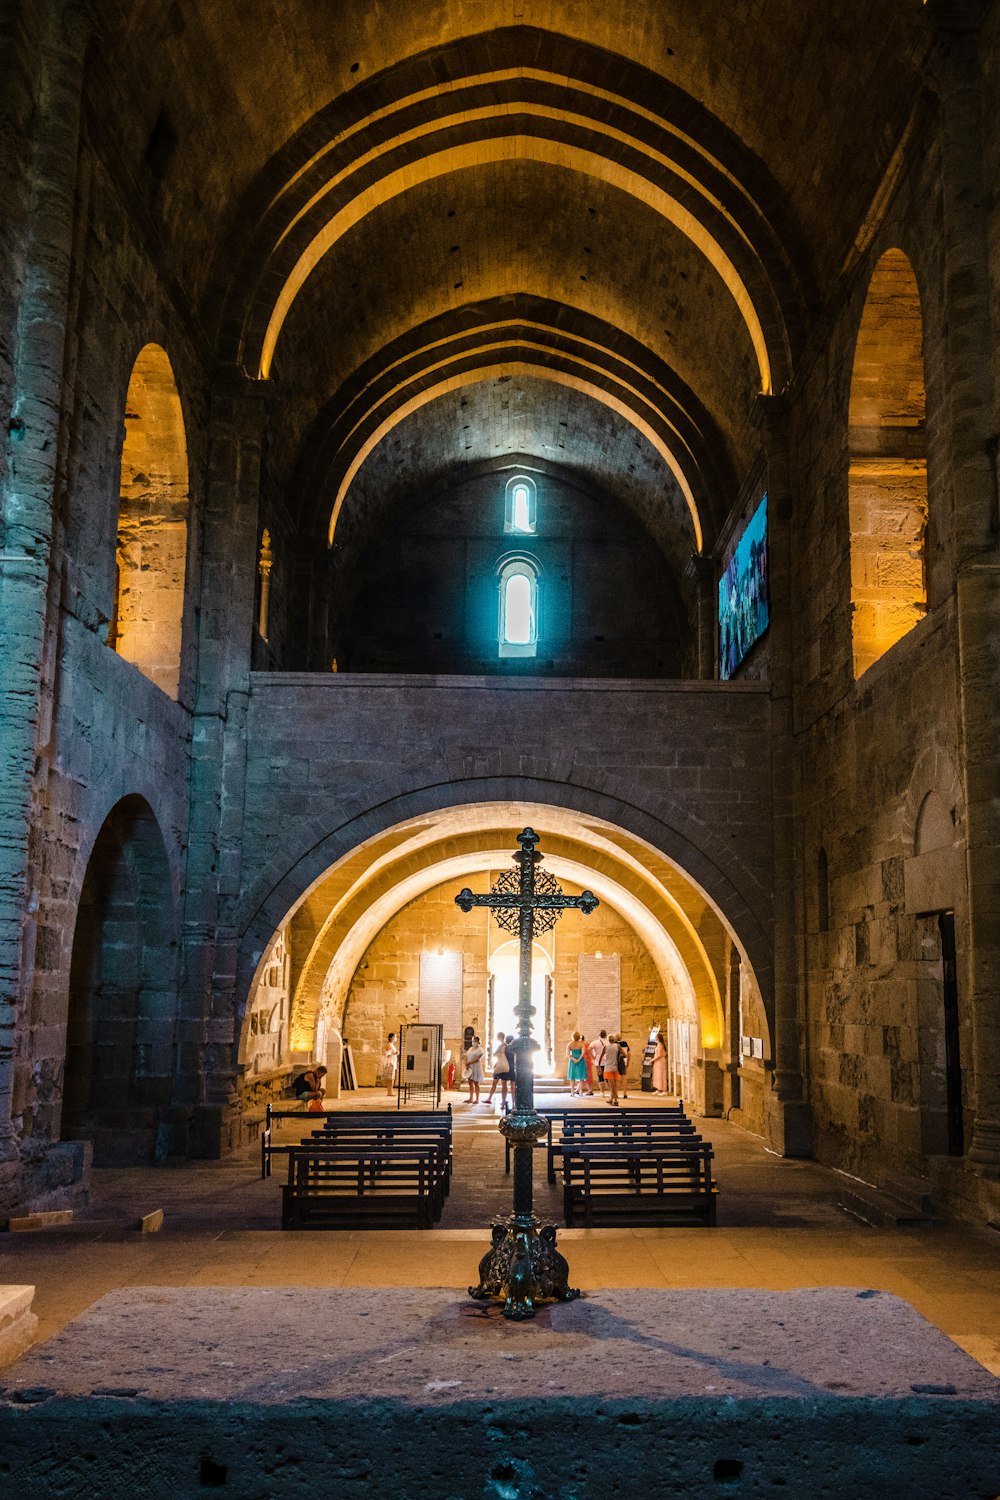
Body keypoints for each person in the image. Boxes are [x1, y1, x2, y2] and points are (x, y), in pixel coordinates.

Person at [487, 1030, 510, 1106]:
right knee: (495, 1083)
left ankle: (503, 1102)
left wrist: (496, 1054)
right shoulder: (502, 1045)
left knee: (503, 1084)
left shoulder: (505, 1046)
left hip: (502, 1066)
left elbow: (501, 1055)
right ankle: (489, 1099)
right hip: (499, 1065)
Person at [464, 1035, 485, 1103]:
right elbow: (466, 1056)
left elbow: (476, 1059)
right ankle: (471, 1098)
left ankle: (477, 1099)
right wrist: (466, 1064)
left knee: (476, 1083)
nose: (473, 1042)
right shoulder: (470, 1048)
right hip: (469, 1067)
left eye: (475, 1041)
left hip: (476, 1067)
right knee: (470, 1083)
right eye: (473, 1041)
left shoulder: (480, 1050)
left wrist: (468, 1063)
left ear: (478, 1042)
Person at [566, 1032, 587, 1097]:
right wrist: (578, 1059)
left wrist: (574, 1059)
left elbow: (568, 1054)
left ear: (572, 1036)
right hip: (581, 1061)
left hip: (572, 1061)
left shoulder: (570, 1044)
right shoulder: (581, 1044)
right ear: (579, 1037)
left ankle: (572, 1092)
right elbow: (583, 1053)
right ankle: (581, 1092)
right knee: (581, 1077)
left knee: (572, 1076)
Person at [589, 1030, 607, 1097]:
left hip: (598, 1061)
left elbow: (588, 1049)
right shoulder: (608, 1042)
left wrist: (593, 1057)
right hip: (608, 1061)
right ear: (606, 1035)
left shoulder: (595, 1042)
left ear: (599, 1035)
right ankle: (612, 1092)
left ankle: (602, 1092)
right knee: (609, 1078)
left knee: (600, 1077)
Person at [603, 1034, 621, 1105]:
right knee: (614, 1085)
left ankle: (616, 1101)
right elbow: (624, 1054)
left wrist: (598, 1067)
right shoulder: (618, 1046)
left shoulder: (606, 1047)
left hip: (608, 1068)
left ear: (608, 1040)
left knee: (612, 1085)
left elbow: (601, 1056)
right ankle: (611, 1099)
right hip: (615, 1068)